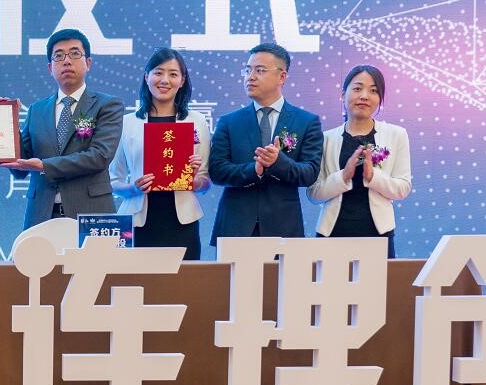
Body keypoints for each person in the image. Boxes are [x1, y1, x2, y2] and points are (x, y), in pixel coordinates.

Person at [3, 28, 124, 228]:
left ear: (88, 63)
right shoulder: (36, 110)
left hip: (91, 214)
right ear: (50, 68)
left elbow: (99, 156)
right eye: (59, 56)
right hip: (41, 215)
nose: (66, 61)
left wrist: (44, 166)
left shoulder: (107, 105)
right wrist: (7, 125)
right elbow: (20, 169)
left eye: (75, 53)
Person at [208, 42, 322, 246]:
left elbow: (310, 173)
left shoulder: (306, 122)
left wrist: (279, 162)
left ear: (282, 77)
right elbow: (217, 171)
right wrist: (254, 170)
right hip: (235, 228)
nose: (250, 77)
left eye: (259, 70)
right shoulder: (229, 122)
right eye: (247, 70)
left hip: (284, 228)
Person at [109, 48, 210, 257]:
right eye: (158, 72)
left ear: (182, 81)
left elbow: (205, 182)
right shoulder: (127, 123)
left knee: (185, 278)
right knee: (135, 278)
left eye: (173, 74)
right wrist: (133, 188)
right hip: (137, 222)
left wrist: (192, 181)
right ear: (147, 77)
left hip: (183, 223)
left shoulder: (197, 121)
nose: (165, 80)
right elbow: (113, 180)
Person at [308, 65, 413, 258]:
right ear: (342, 95)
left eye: (373, 91)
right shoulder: (325, 139)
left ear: (380, 99)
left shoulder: (396, 134)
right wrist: (343, 176)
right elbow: (314, 194)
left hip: (379, 233)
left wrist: (372, 176)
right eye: (357, 88)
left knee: (380, 279)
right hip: (332, 233)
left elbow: (403, 188)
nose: (364, 96)